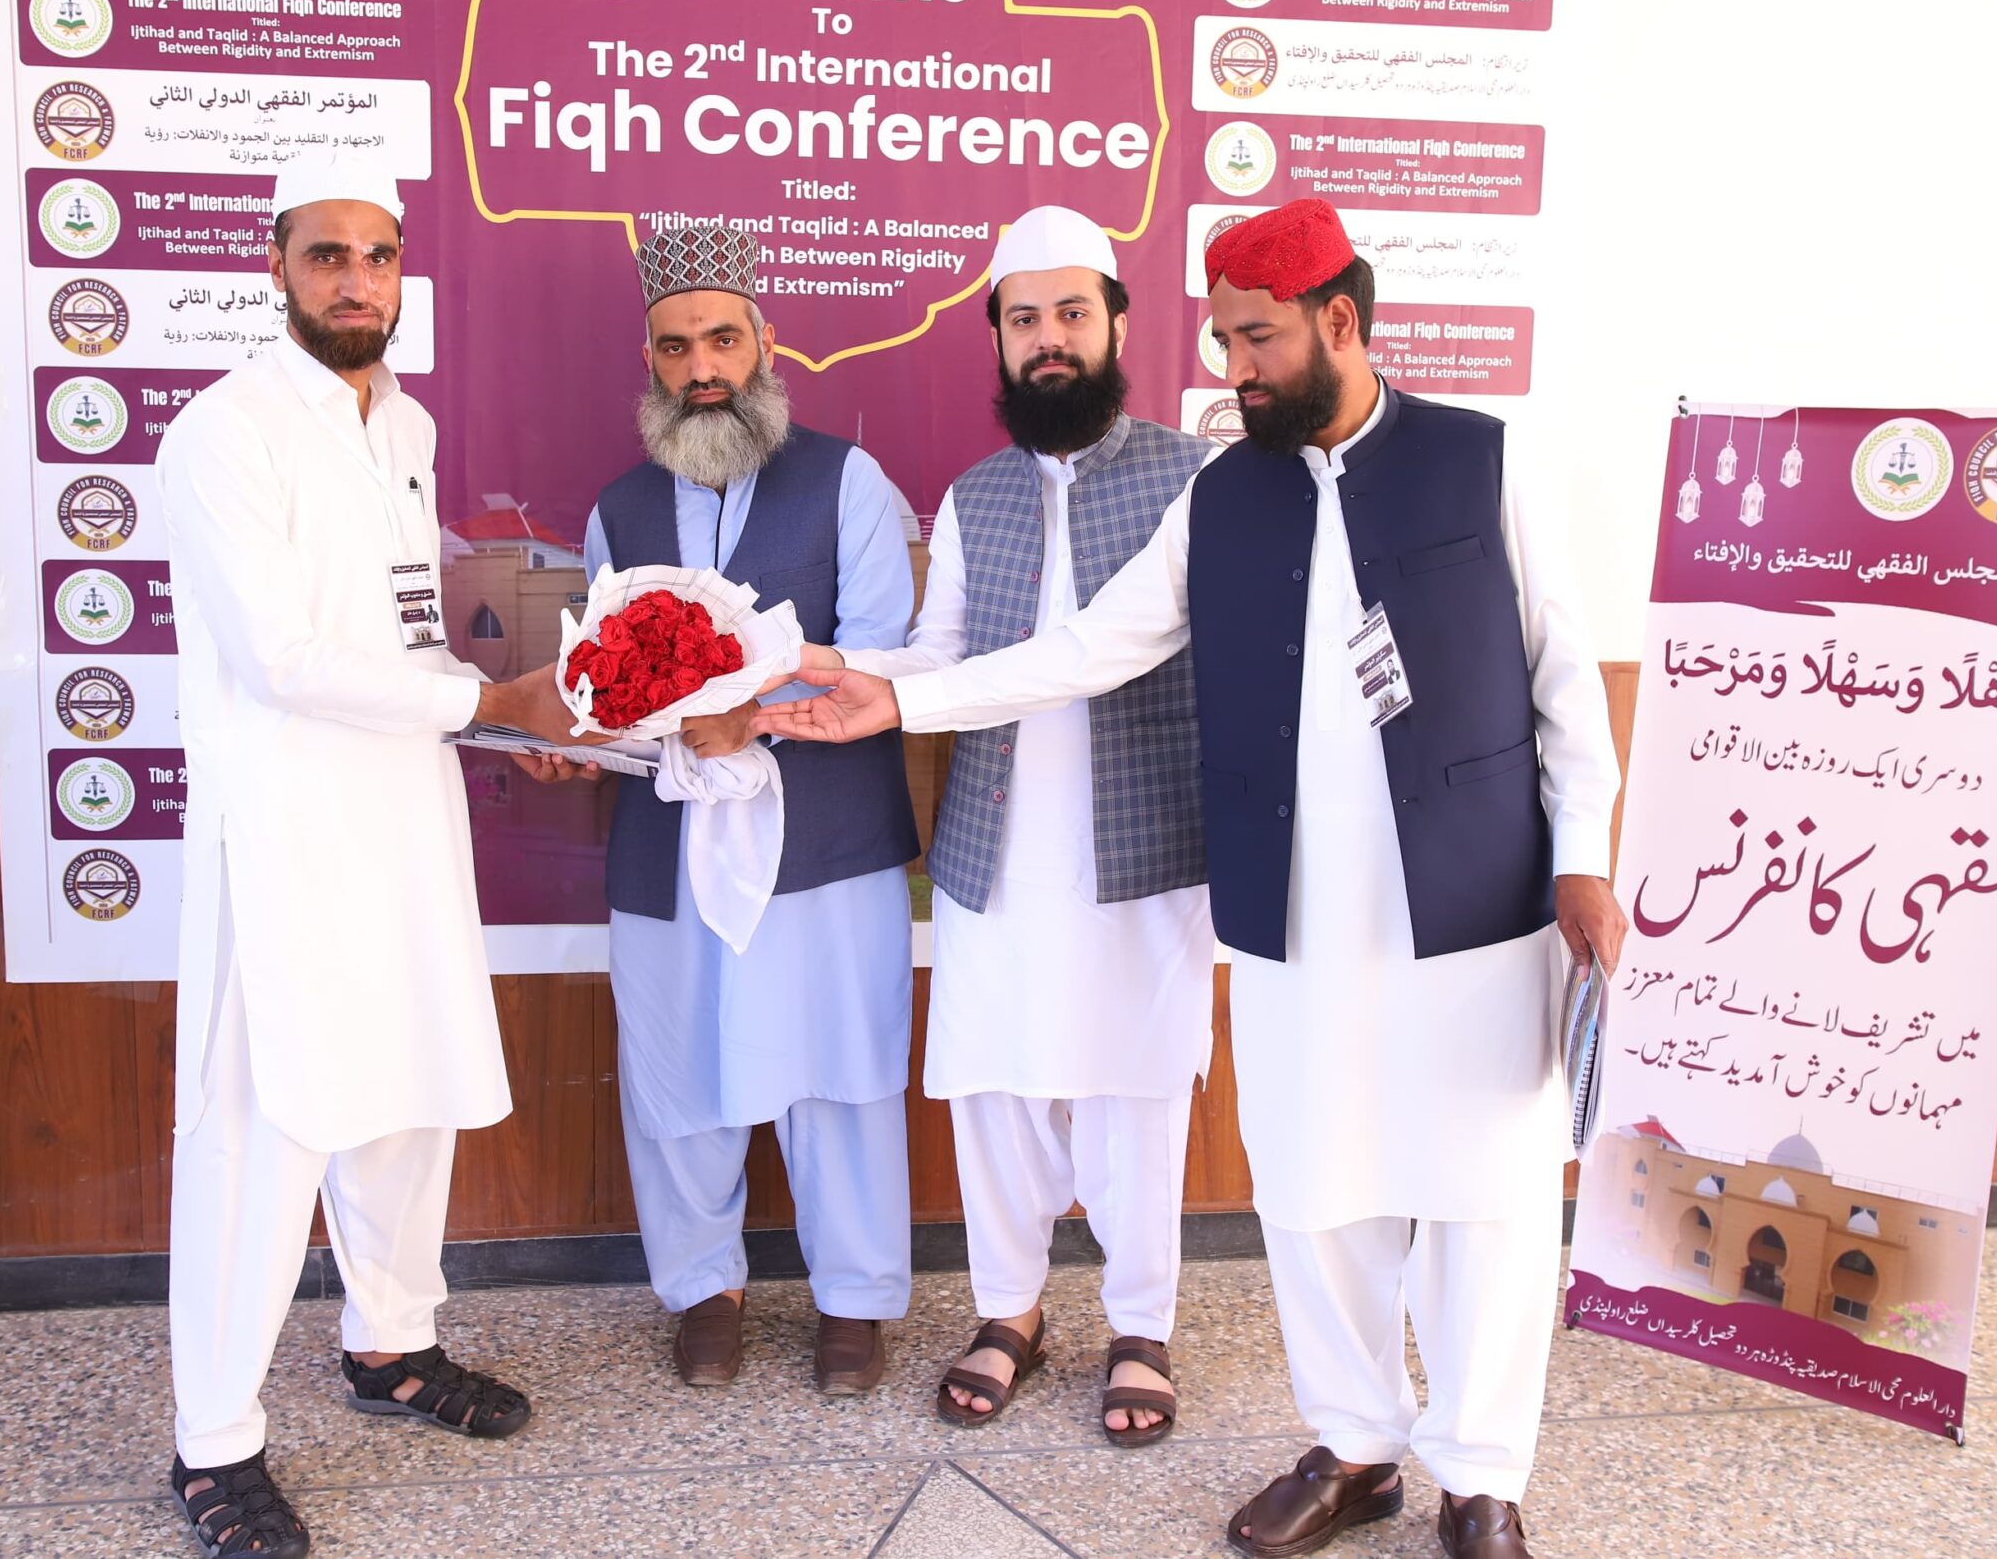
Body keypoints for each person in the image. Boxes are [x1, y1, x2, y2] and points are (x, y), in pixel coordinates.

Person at [759, 197, 1626, 1558]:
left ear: (1341, 320)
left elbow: (1562, 679)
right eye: (1223, 340)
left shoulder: (1483, 460)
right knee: (1314, 1186)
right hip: (1292, 909)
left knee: (1485, 1192)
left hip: (1475, 896)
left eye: (1259, 338)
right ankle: (1355, 1446)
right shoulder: (1222, 493)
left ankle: (1481, 1476)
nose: (1237, 367)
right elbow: (1087, 648)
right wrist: (897, 699)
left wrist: (1582, 859)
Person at [157, 157, 574, 1559]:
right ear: (276, 266)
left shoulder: (404, 421)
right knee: (260, 1130)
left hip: (406, 806)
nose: (357, 280)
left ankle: (390, 1345)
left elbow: (405, 622)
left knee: (407, 1093)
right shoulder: (226, 431)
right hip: (283, 829)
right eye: (328, 254)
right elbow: (280, 657)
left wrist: (506, 708)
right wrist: (490, 700)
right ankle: (214, 1440)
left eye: (380, 255)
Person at [815, 206, 1212, 1443]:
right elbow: (936, 654)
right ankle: (1010, 1312)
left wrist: (897, 694)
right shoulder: (971, 494)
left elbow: (1099, 651)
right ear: (995, 337)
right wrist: (824, 673)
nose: (1050, 340)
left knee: (1135, 1088)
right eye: (1025, 319)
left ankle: (1140, 1326)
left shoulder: (1196, 478)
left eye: (1072, 314)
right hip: (992, 844)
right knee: (992, 1086)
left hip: (1143, 840)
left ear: (1118, 325)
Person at [577, 221, 921, 1394]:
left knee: (843, 1065)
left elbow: (884, 654)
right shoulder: (617, 510)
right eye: (677, 348)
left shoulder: (847, 481)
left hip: (828, 836)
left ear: (765, 342)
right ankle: (701, 1289)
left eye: (723, 339)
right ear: (649, 360)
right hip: (667, 836)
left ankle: (856, 1299)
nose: (703, 367)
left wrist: (752, 716)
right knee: (675, 1066)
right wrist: (592, 732)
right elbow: (603, 676)